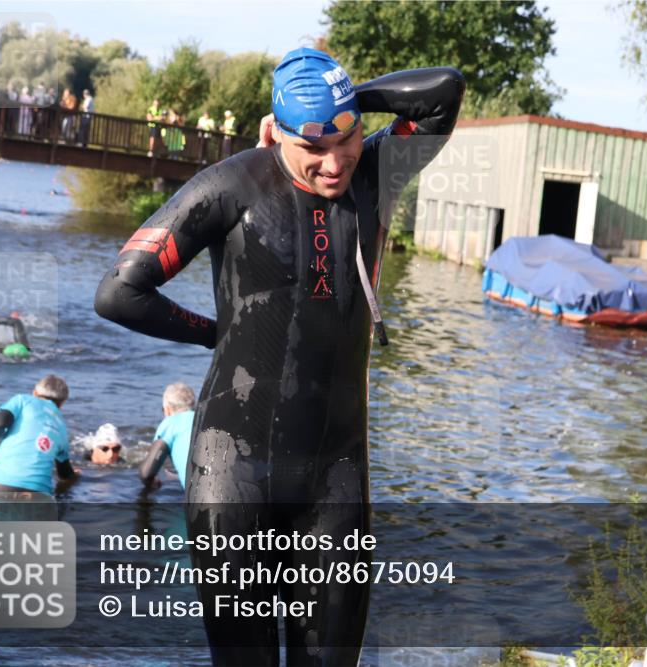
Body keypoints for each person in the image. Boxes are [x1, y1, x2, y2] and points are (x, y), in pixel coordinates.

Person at [95, 47, 464, 666]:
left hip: (335, 477)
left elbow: (442, 89)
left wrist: (347, 100)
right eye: (311, 148)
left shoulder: (377, 171)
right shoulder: (231, 186)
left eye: (344, 142)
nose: (332, 164)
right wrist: (214, 333)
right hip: (233, 473)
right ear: (276, 132)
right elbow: (119, 291)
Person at [0, 374, 78, 500]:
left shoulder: (22, 400)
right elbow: (64, 473)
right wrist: (75, 476)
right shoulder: (62, 428)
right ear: (62, 404)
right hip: (36, 493)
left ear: (35, 393)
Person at [139, 382, 195, 489]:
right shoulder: (204, 420)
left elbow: (145, 474)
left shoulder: (170, 423)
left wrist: (153, 482)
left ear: (168, 409)